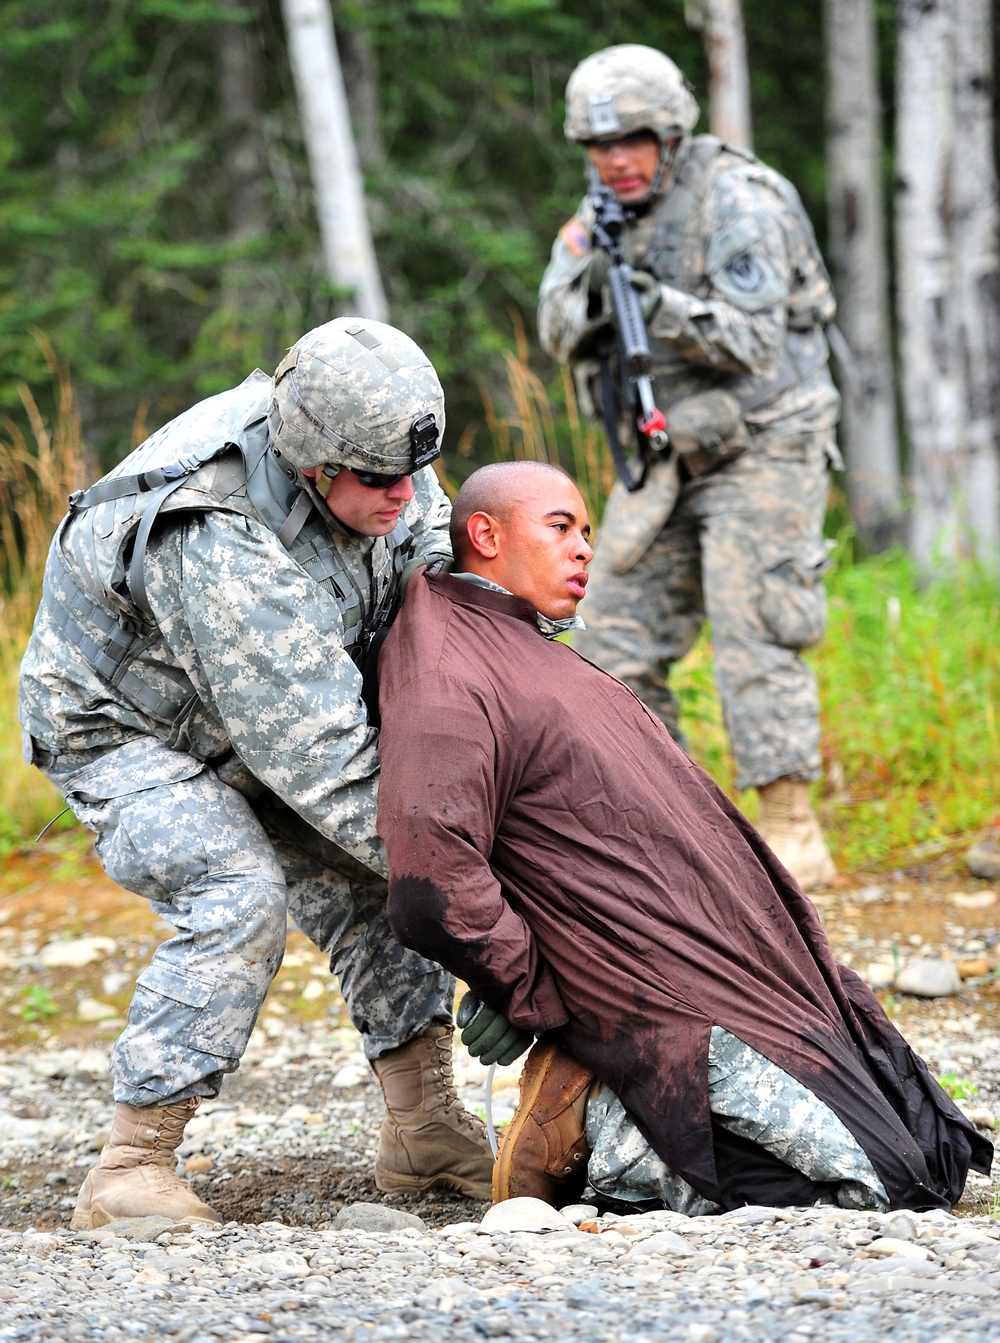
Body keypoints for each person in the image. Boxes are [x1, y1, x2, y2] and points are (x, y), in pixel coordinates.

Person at [375, 460, 992, 1216]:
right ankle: (598, 1118)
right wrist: (534, 994)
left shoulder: (524, 645)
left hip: (735, 967)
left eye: (589, 533)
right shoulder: (446, 665)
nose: (584, 551)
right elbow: (428, 887)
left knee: (933, 1148)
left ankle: (605, 1090)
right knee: (876, 1187)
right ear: (485, 533)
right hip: (648, 999)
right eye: (561, 527)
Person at [18, 318, 493, 1230]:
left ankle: (424, 1122)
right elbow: (331, 768)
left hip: (259, 704)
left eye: (411, 474)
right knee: (237, 886)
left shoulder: (379, 446)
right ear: (315, 465)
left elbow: (432, 574)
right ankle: (132, 1162)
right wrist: (488, 890)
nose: (404, 494)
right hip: (125, 730)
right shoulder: (218, 535)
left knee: (371, 869)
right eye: (379, 482)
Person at [538, 44, 843, 890]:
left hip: (761, 443)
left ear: (669, 132)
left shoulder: (741, 200)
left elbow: (751, 340)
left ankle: (789, 824)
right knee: (606, 636)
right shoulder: (598, 215)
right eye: (599, 147)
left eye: (632, 139)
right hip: (665, 455)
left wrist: (654, 301)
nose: (615, 160)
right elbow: (557, 327)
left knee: (757, 630)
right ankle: (674, 827)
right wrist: (605, 285)